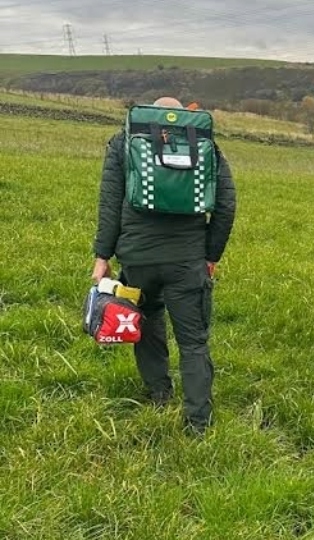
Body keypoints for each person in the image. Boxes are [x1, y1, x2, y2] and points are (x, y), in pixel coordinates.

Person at [91, 96, 237, 436]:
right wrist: (210, 255)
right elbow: (227, 205)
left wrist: (102, 256)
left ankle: (159, 393)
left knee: (148, 323)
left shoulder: (123, 141)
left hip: (137, 259)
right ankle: (198, 423)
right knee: (194, 342)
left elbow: (110, 202)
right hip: (187, 261)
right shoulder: (204, 145)